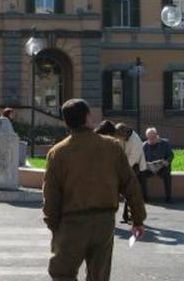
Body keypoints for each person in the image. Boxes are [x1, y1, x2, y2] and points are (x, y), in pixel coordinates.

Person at [43, 99, 145, 280]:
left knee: (62, 273)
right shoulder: (112, 146)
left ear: (66, 122)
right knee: (99, 276)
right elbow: (131, 185)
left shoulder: (58, 152)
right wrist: (138, 219)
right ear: (88, 117)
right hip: (104, 221)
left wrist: (54, 225)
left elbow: (51, 195)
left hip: (72, 222)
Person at [114, 123, 148, 223]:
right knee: (127, 193)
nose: (118, 139)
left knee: (133, 194)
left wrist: (121, 171)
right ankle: (126, 217)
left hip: (136, 168)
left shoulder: (136, 140)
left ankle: (136, 218)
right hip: (127, 166)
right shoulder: (123, 137)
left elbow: (132, 159)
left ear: (124, 133)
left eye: (119, 137)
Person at [141, 127, 174, 202]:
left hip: (162, 167)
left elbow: (171, 155)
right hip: (150, 168)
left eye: (153, 138)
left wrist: (167, 161)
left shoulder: (165, 143)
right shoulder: (144, 145)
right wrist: (146, 164)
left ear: (156, 136)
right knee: (141, 174)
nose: (151, 140)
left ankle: (168, 197)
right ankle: (144, 197)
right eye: (149, 138)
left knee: (167, 174)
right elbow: (142, 158)